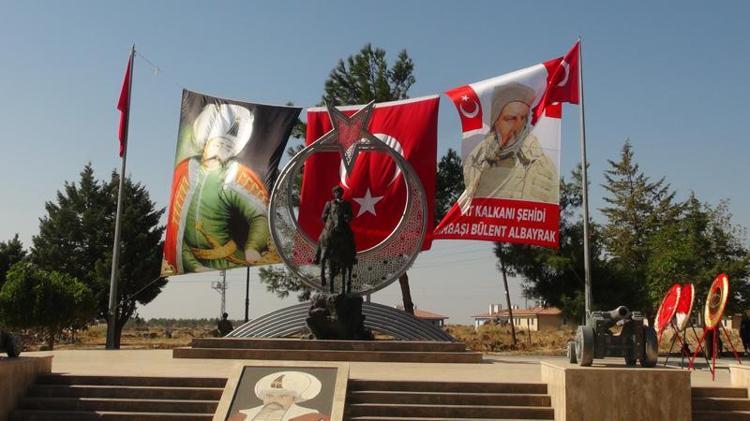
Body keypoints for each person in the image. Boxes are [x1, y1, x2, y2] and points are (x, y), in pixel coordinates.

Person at [164, 103, 274, 274]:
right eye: (218, 144)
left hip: (227, 260)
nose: (221, 150)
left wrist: (252, 247)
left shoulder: (235, 175)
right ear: (206, 143)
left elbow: (261, 215)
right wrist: (192, 263)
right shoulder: (185, 171)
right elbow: (176, 228)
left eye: (228, 147)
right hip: (188, 261)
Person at [462, 82, 558, 205]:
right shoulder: (475, 161)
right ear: (495, 121)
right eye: (510, 119)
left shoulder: (543, 165)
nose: (518, 126)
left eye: (523, 118)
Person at [229, 371, 330, 421]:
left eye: (282, 396)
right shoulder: (241, 417)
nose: (274, 400)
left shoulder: (313, 418)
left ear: (293, 398)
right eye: (269, 395)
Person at [313, 185, 353, 265]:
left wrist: (347, 217)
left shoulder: (346, 204)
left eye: (339, 192)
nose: (338, 193)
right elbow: (323, 215)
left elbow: (351, 215)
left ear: (342, 193)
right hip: (331, 225)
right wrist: (328, 220)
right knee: (321, 237)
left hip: (343, 225)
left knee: (351, 237)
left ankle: (352, 256)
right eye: (336, 192)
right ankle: (317, 256)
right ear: (334, 194)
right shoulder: (329, 204)